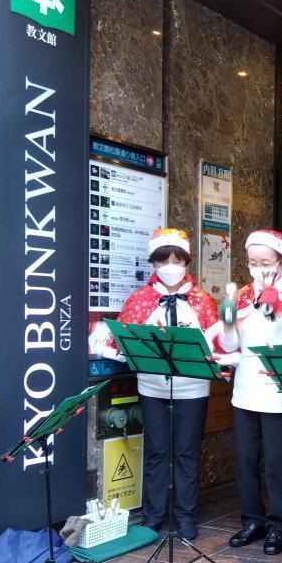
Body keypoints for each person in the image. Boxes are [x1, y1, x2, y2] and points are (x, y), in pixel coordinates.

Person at [99, 228, 235, 541]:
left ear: (187, 261)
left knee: (186, 452)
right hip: (151, 388)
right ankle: (153, 515)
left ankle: (187, 515)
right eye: (164, 259)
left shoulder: (201, 300)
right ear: (154, 263)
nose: (171, 265)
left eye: (178, 259)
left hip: (193, 389)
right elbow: (121, 342)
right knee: (157, 451)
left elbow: (218, 346)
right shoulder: (140, 299)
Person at [221, 230, 282, 556]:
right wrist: (229, 323)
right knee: (245, 459)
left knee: (276, 461)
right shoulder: (243, 294)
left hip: (278, 391)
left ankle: (278, 524)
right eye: (253, 262)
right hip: (245, 389)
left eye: (266, 262)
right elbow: (231, 346)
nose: (258, 268)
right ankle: (252, 520)